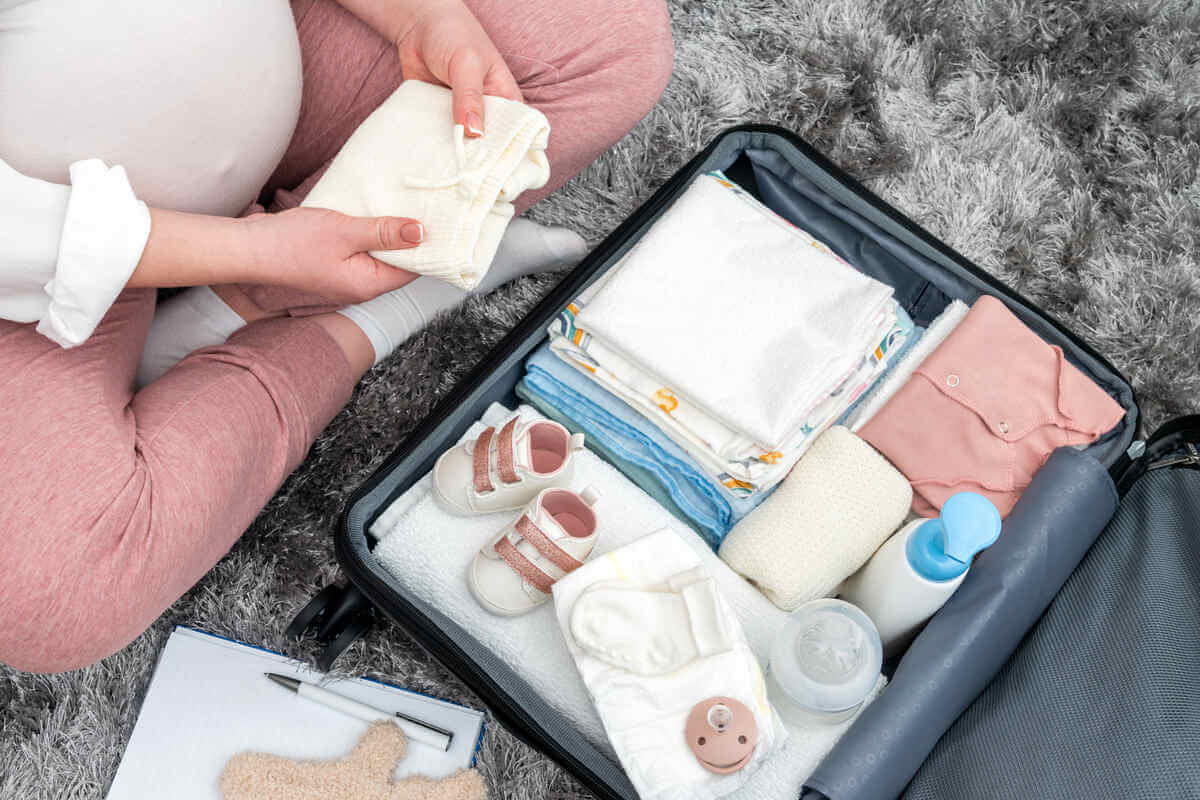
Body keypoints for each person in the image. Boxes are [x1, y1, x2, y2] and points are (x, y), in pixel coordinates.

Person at [0, 0, 673, 672]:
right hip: (36, 271)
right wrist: (250, 252)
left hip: (266, 60)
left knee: (611, 36)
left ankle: (281, 296)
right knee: (50, 597)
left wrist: (418, 18)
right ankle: (378, 310)